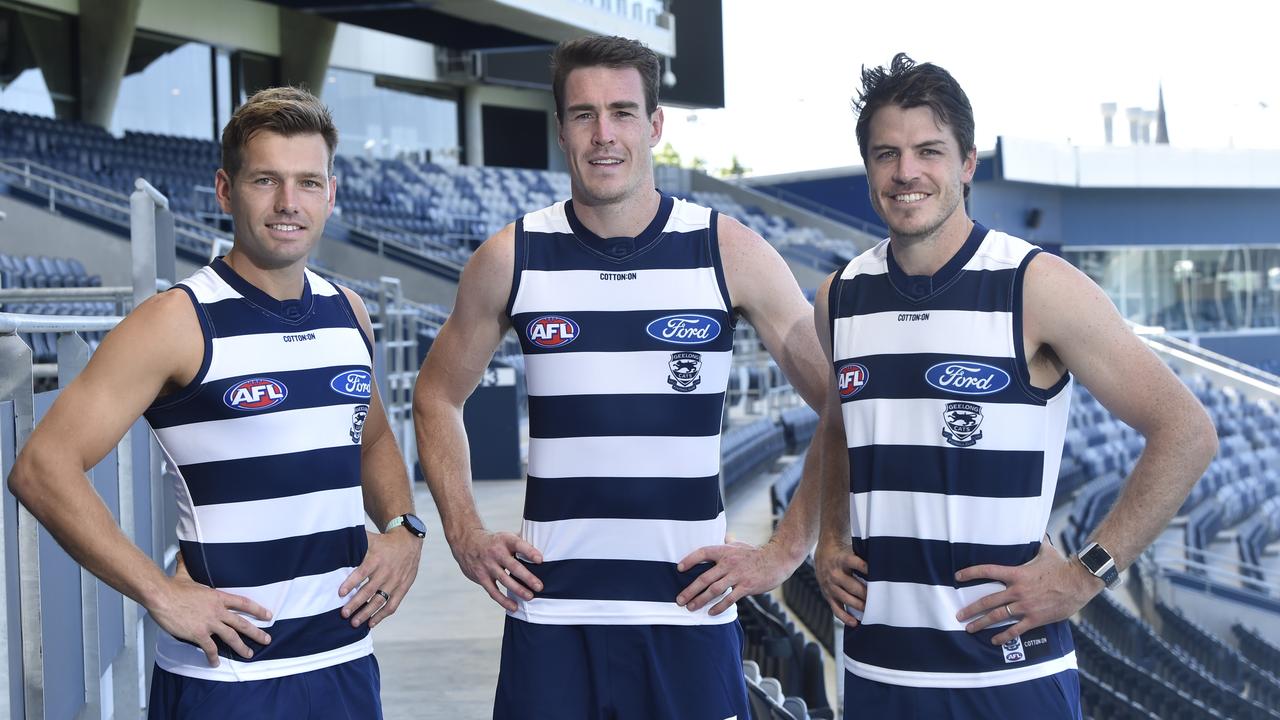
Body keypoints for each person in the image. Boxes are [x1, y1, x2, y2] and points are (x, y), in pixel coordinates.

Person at [413, 35, 831, 719]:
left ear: (656, 124)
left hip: (687, 620)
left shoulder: (729, 250)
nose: (603, 135)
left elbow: (841, 401)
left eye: (622, 112)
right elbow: (434, 395)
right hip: (550, 619)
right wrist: (464, 534)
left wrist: (788, 551)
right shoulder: (509, 258)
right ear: (561, 130)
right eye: (583, 115)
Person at [812, 53, 1218, 717]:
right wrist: (830, 539)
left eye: (928, 151)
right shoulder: (841, 297)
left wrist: (1085, 577)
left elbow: (1186, 432)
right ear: (868, 169)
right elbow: (837, 425)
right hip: (877, 674)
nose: (906, 172)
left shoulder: (1035, 287)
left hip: (1006, 682)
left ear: (968, 163)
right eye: (886, 153)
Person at [7, 86, 424, 719]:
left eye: (309, 182)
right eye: (267, 181)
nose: (289, 204)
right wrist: (157, 593)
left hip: (343, 662)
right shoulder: (176, 321)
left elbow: (370, 439)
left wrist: (402, 525)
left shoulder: (349, 312)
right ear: (226, 190)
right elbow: (41, 467)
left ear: (330, 195)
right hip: (228, 680)